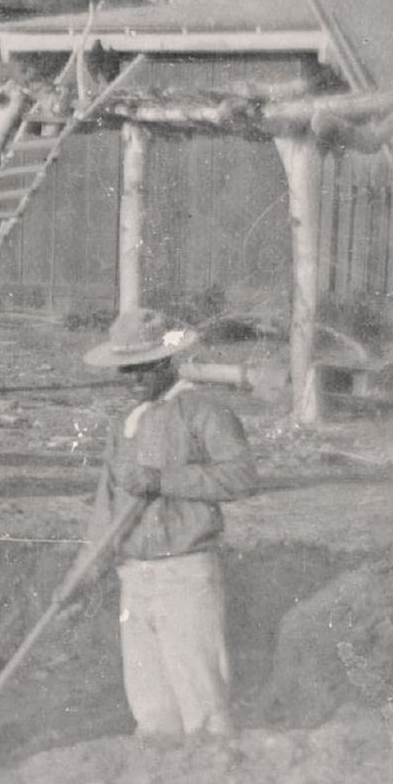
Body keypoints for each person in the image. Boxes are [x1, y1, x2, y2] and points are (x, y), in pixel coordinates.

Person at [79, 308, 256, 740]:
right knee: (153, 713)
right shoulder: (125, 426)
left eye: (145, 368)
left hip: (185, 571)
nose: (135, 378)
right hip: (133, 577)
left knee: (204, 708)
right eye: (127, 370)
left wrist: (163, 480)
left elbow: (240, 477)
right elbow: (106, 505)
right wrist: (79, 574)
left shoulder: (203, 413)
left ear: (167, 362)